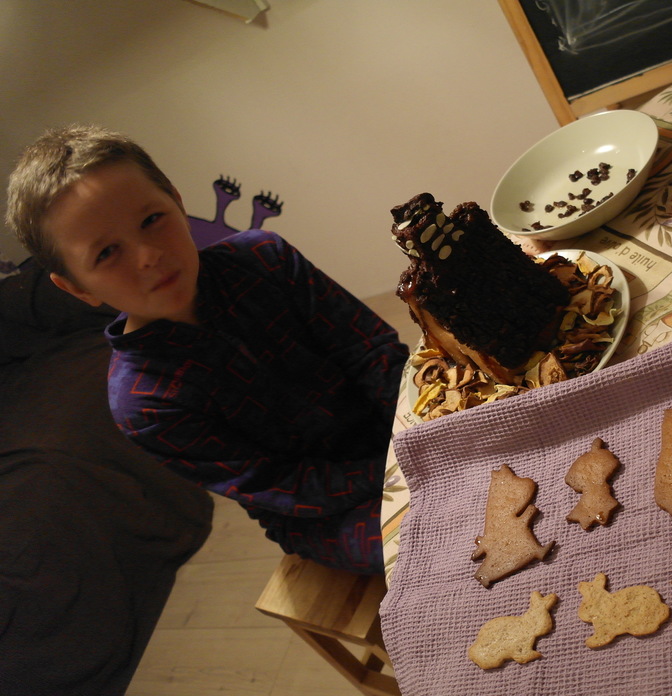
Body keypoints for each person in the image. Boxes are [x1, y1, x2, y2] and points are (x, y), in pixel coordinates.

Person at [6, 125, 409, 574]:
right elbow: (279, 485)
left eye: (151, 220)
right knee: (432, 544)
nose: (147, 255)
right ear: (77, 288)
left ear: (178, 202)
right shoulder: (143, 402)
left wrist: (418, 437)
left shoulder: (265, 257)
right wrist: (392, 474)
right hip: (325, 513)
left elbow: (370, 352)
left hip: (394, 429)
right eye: (106, 253)